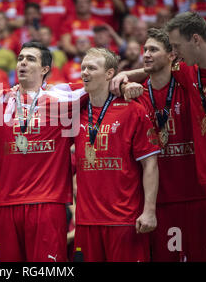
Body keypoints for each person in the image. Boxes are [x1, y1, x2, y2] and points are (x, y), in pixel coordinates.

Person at [111, 12, 206, 262]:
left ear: (195, 39)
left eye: (175, 46)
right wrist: (123, 77)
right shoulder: (187, 72)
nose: (174, 52)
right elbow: (155, 68)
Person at [0, 41, 82, 262]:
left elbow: (102, 83)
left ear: (45, 69)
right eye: (20, 58)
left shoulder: (63, 97)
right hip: (6, 204)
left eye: (30, 59)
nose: (23, 62)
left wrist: (122, 82)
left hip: (47, 203)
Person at [123, 28, 206, 262]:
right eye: (145, 50)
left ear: (172, 55)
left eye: (153, 50)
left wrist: (129, 74)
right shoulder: (136, 95)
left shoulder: (188, 85)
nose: (147, 54)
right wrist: (123, 82)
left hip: (197, 196)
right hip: (157, 201)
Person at [72, 47, 160, 262]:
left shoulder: (133, 110)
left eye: (92, 68)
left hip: (124, 220)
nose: (85, 73)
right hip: (86, 223)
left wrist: (149, 211)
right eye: (83, 68)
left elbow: (150, 164)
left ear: (110, 73)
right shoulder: (75, 110)